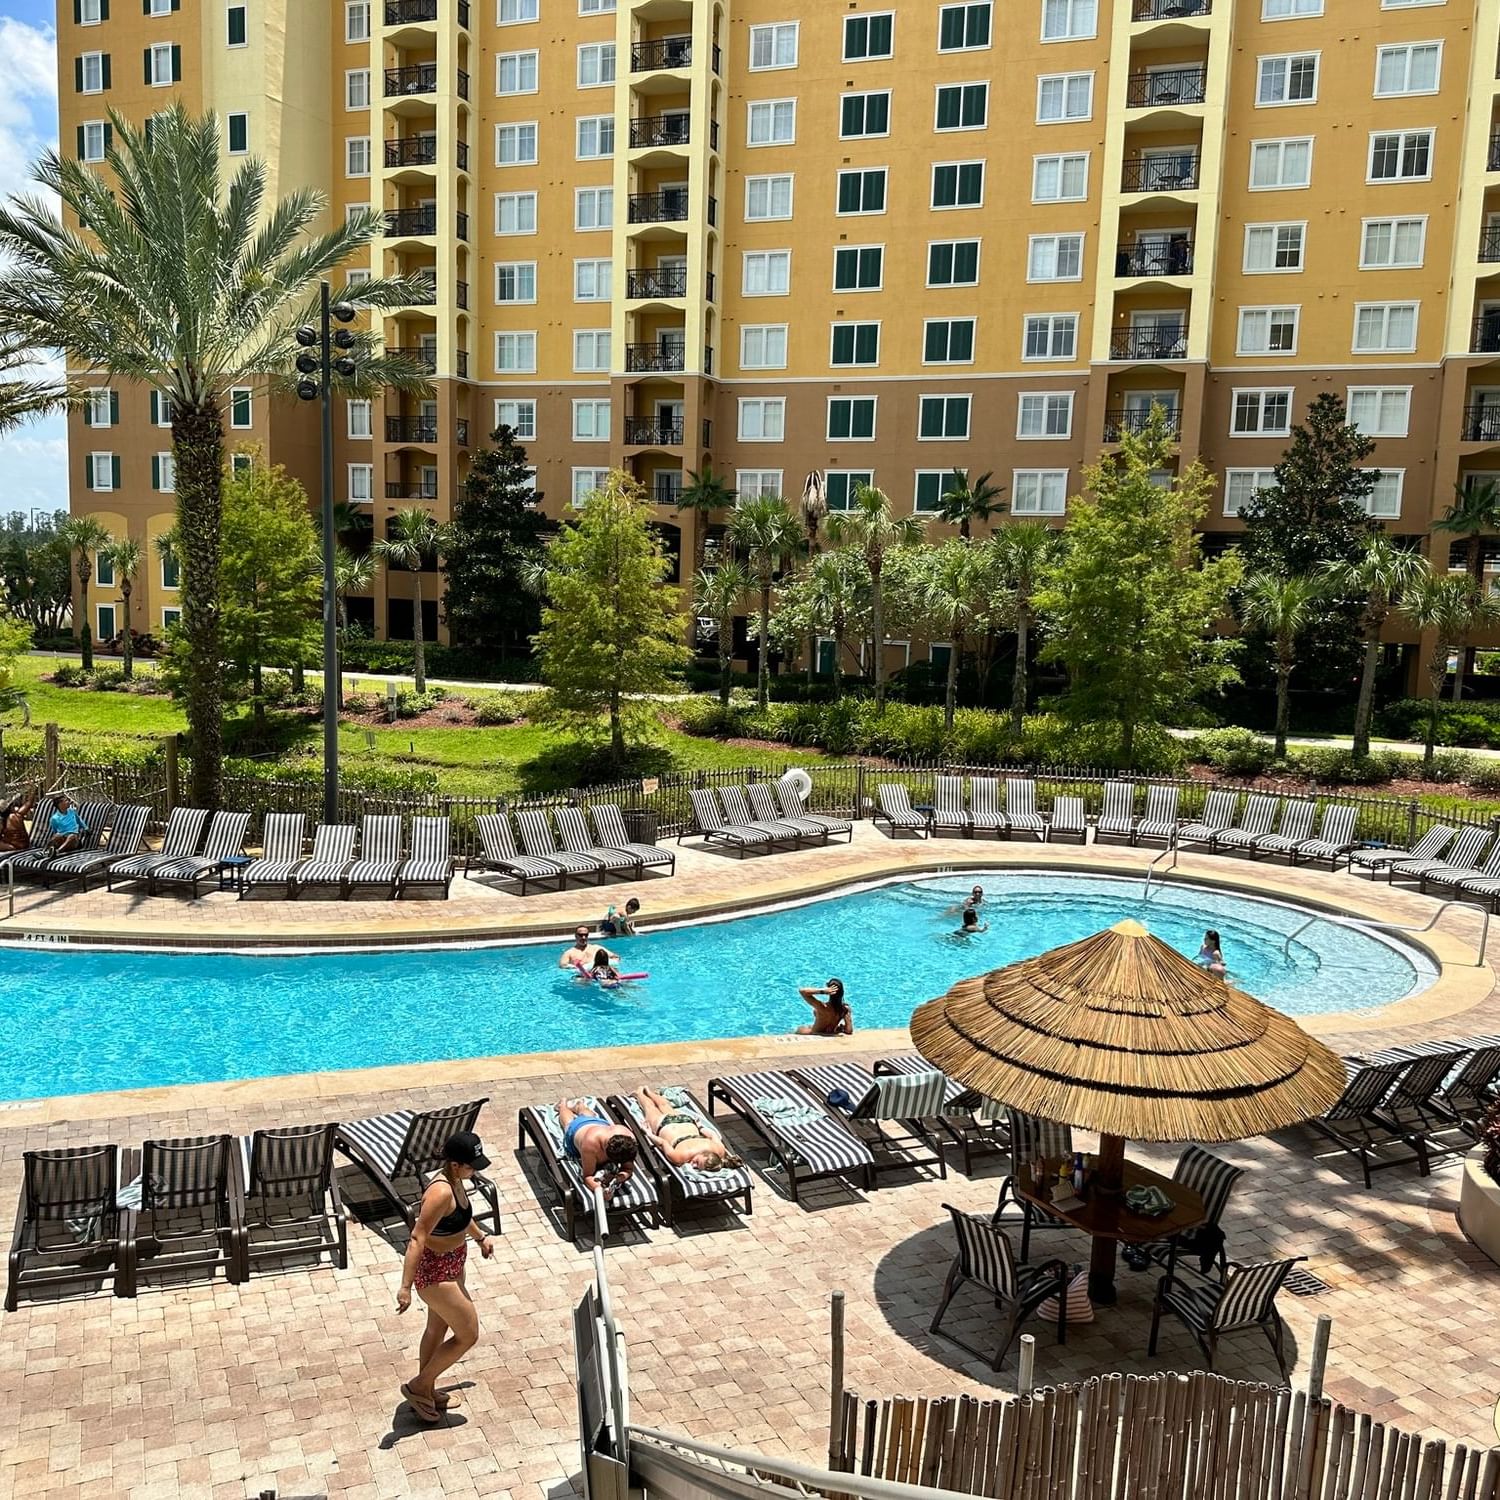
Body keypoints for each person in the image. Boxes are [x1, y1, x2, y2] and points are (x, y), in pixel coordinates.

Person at [396, 1131, 496, 1424]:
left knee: (436, 1331)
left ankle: (427, 1389)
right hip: (436, 1273)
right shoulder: (440, 1192)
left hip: (453, 1263)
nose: (475, 1170)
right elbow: (417, 1237)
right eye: (471, 1165)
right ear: (455, 1164)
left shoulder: (457, 1182)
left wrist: (479, 1238)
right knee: (468, 1333)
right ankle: (418, 1386)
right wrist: (405, 1287)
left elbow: (461, 1218)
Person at [636, 1086, 743, 1173]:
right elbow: (663, 1143)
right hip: (666, 1126)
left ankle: (648, 1091)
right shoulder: (680, 1157)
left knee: (664, 1104)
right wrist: (648, 1133)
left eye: (697, 1166)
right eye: (696, 1161)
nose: (693, 1164)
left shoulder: (719, 1150)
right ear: (704, 1155)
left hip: (687, 1122)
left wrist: (700, 1127)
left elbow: (712, 1135)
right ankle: (639, 1092)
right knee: (649, 1107)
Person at [559, 1099, 639, 1197]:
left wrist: (618, 1179)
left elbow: (628, 1169)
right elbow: (587, 1176)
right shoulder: (590, 1145)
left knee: (590, 1116)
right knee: (568, 1123)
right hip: (577, 1129)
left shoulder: (628, 1141)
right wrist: (600, 1191)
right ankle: (562, 1105)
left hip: (599, 1123)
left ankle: (580, 1106)